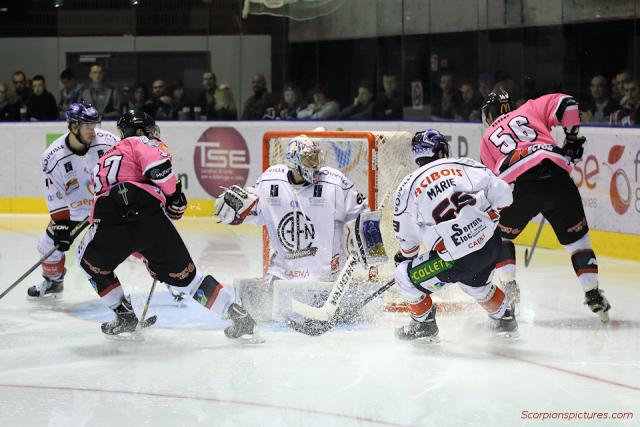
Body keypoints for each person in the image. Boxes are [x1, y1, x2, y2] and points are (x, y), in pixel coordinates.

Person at [76, 110, 259, 340]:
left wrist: (145, 255)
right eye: (150, 131)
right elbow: (159, 168)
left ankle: (123, 314)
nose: (153, 135)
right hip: (149, 217)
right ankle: (237, 314)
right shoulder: (140, 141)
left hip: (109, 218)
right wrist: (173, 196)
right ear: (140, 131)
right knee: (189, 279)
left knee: (87, 262)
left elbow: (115, 223)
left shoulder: (103, 160)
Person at [479, 90, 611, 321]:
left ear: (488, 114)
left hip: (520, 186)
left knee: (500, 237)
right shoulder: (529, 108)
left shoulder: (487, 138)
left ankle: (509, 288)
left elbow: (493, 186)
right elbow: (568, 103)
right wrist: (570, 140)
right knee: (578, 242)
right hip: (557, 176)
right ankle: (593, 293)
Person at [214, 134, 370, 320]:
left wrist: (365, 241)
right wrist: (233, 211)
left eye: (316, 158)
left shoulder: (334, 183)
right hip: (282, 276)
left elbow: (363, 214)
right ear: (293, 161)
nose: (315, 164)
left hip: (327, 278)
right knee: (259, 314)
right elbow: (249, 207)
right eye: (308, 159)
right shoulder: (270, 181)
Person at [392, 129, 517, 341]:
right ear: (441, 151)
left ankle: (423, 324)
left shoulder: (407, 186)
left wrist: (404, 257)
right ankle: (505, 317)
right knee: (475, 284)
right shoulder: (465, 164)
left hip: (454, 260)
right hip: (490, 246)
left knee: (404, 276)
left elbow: (409, 244)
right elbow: (505, 195)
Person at [27, 102, 119, 298]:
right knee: (47, 245)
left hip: (109, 206)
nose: (93, 131)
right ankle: (53, 281)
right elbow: (55, 194)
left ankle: (170, 280)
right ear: (73, 126)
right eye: (88, 127)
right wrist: (61, 227)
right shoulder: (52, 157)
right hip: (76, 210)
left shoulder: (109, 142)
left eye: (95, 126)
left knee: (138, 237)